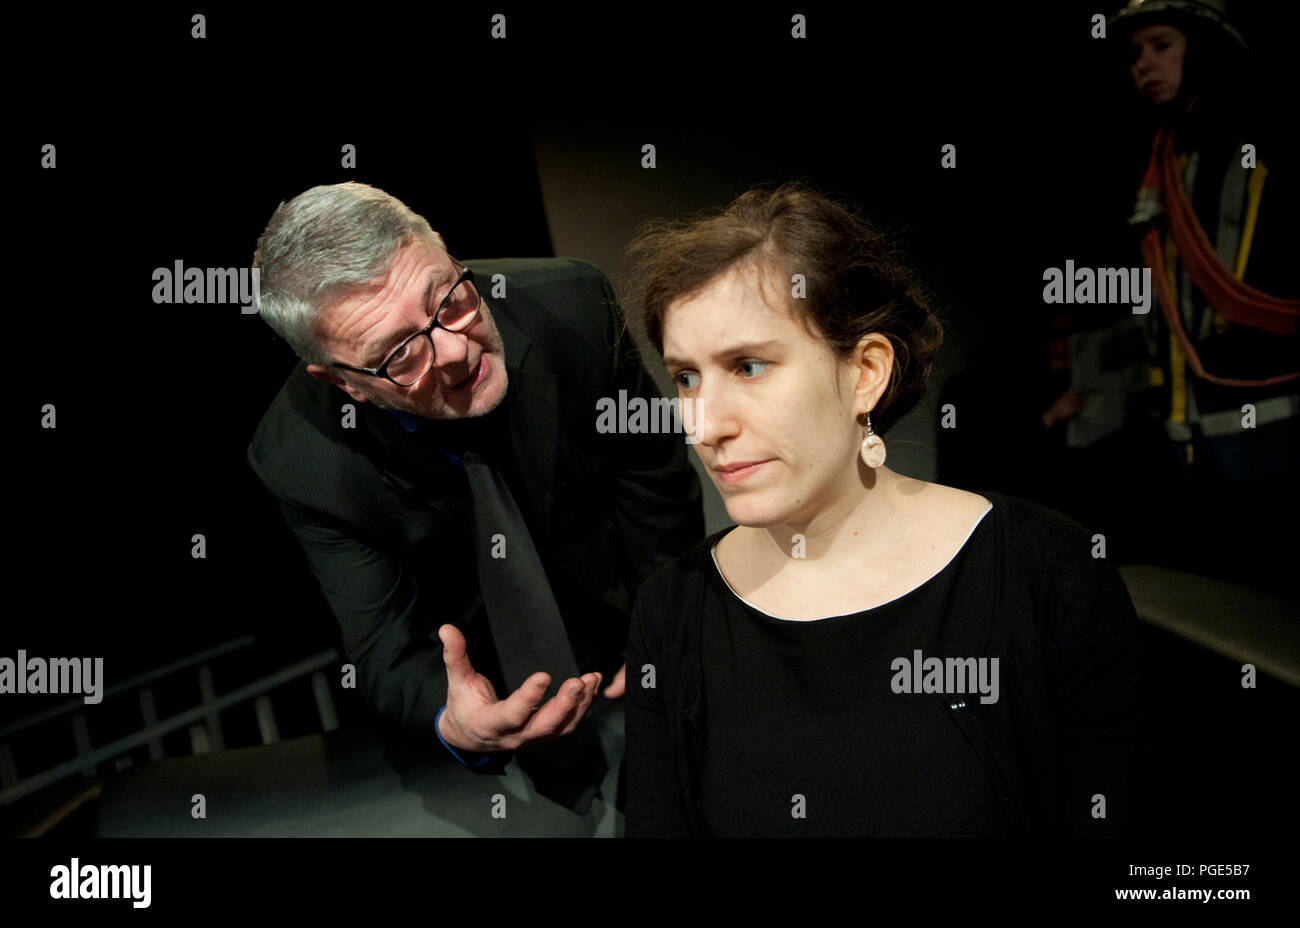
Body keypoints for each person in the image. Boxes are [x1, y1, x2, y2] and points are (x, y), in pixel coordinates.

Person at [620, 183, 1141, 836]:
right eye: (686, 378)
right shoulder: (673, 610)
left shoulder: (1047, 574)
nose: (703, 425)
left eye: (748, 366)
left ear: (865, 371)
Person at [246, 182, 703, 814]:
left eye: (450, 300)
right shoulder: (304, 462)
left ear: (440, 243)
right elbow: (382, 643)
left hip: (620, 621)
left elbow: (653, 486)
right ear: (340, 381)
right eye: (402, 355)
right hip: (485, 674)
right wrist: (453, 720)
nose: (457, 351)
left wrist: (667, 629)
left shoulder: (573, 304)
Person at [1045, 0, 1298, 591]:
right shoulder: (1164, 154)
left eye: (1161, 46)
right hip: (1190, 426)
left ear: (1203, 49)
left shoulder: (1263, 138)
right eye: (1135, 54)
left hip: (1272, 419)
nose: (1143, 65)